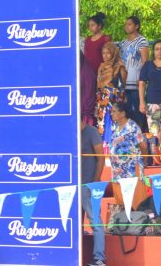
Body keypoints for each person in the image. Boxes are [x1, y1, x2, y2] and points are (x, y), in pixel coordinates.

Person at [80, 119, 106, 266]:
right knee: (74, 222)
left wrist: (94, 182)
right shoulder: (71, 134)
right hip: (73, 186)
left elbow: (101, 158)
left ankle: (99, 258)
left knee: (95, 221)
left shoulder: (92, 132)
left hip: (89, 184)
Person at [119, 16, 150, 130]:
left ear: (136, 26)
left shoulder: (141, 41)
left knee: (138, 112)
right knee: (128, 112)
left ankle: (143, 135)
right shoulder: (123, 43)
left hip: (136, 82)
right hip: (124, 83)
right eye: (126, 24)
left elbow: (145, 62)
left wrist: (142, 79)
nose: (127, 26)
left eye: (129, 24)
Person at [97, 42, 127, 146]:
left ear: (113, 53)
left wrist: (119, 102)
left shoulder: (119, 66)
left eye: (108, 53)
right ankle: (104, 149)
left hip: (114, 100)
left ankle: (114, 148)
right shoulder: (101, 66)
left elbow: (122, 86)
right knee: (102, 125)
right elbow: (98, 86)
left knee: (113, 122)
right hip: (102, 101)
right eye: (103, 53)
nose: (105, 56)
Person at [110, 102, 147, 186]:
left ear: (122, 114)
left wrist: (144, 162)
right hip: (117, 170)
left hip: (131, 169)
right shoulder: (115, 126)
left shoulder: (132, 127)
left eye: (114, 111)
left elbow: (143, 146)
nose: (111, 114)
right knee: (118, 193)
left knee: (134, 192)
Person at [140, 40, 161, 159]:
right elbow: (142, 84)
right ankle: (155, 159)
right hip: (152, 103)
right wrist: (142, 102)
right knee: (154, 132)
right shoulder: (148, 65)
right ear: (153, 51)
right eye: (157, 49)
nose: (159, 51)